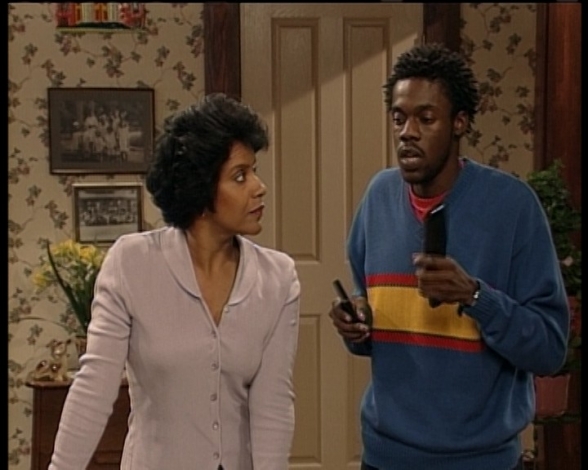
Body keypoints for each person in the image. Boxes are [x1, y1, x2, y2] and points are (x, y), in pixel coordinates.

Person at [328, 43, 569, 470]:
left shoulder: (513, 208)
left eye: (426, 118)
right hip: (386, 457)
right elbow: (375, 327)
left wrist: (476, 297)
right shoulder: (378, 198)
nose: (408, 132)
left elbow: (549, 350)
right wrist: (356, 324)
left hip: (482, 460)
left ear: (460, 123)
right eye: (399, 118)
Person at [49, 93, 301, 470]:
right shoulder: (132, 263)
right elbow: (93, 388)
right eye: (239, 176)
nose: (258, 186)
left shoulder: (277, 278)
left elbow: (273, 406)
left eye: (254, 171)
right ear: (201, 187)